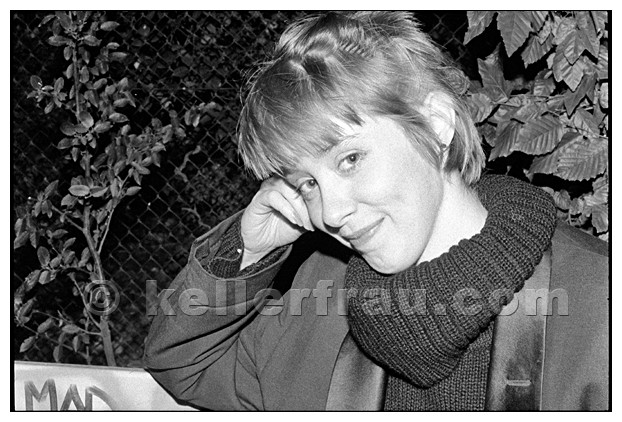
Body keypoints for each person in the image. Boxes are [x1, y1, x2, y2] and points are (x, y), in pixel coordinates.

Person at [144, 11, 608, 410]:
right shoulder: (319, 298)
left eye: (349, 159)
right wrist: (246, 250)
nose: (330, 211)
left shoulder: (598, 302)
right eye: (306, 184)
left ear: (435, 124)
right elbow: (183, 362)